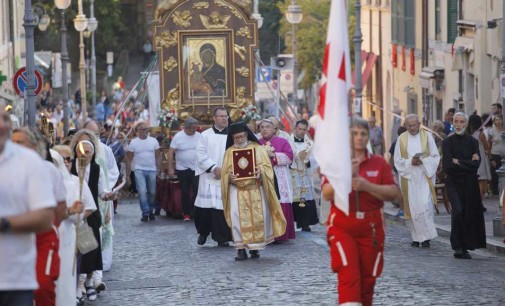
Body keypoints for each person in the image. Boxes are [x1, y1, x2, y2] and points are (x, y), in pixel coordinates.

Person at [323, 117, 400, 306]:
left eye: (363, 133)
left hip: (371, 228)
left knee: (368, 279)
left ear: (369, 137)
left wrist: (367, 186)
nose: (359, 137)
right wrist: (345, 176)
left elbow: (394, 194)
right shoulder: (336, 161)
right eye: (354, 133)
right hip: (342, 226)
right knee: (349, 274)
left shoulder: (379, 163)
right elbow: (326, 193)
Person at [0, 105, 56, 306]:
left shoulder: (29, 162)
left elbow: (45, 217)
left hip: (15, 279)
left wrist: (4, 223)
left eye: (5, 119)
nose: (2, 124)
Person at [11, 127, 68, 306]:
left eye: (20, 143)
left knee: (42, 286)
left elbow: (61, 207)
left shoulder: (49, 170)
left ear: (35, 147)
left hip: (43, 237)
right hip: (12, 237)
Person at [221, 121, 287, 260]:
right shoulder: (229, 152)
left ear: (246, 134)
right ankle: (240, 249)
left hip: (256, 188)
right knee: (237, 218)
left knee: (259, 218)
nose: (239, 140)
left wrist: (260, 173)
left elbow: (267, 168)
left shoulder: (258, 148)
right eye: (236, 138)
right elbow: (225, 173)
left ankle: (255, 248)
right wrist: (230, 178)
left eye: (241, 136)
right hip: (237, 191)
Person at [70, 136, 114, 302]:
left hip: (92, 213)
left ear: (92, 154)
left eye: (88, 152)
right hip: (74, 212)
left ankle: (89, 281)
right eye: (82, 152)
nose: (85, 155)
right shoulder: (71, 167)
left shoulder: (96, 169)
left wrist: (108, 196)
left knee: (90, 249)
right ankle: (78, 284)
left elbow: (102, 192)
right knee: (76, 249)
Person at [50, 147, 96, 306]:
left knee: (66, 277)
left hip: (69, 236)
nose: (65, 162)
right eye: (60, 160)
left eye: (68, 159)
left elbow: (88, 207)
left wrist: (77, 213)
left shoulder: (75, 182)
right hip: (47, 237)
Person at [442, 112, 486, 259]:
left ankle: (464, 246)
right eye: (456, 121)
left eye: (462, 122)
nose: (459, 124)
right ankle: (457, 246)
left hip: (469, 183)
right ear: (452, 122)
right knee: (458, 211)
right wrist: (467, 162)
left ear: (466, 124)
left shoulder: (473, 142)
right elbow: (448, 166)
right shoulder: (447, 142)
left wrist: (459, 162)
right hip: (453, 182)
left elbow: (476, 165)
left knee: (467, 212)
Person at [394, 114, 440, 248]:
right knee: (413, 207)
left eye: (414, 125)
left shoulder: (428, 136)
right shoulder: (401, 139)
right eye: (409, 125)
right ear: (405, 126)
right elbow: (398, 160)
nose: (412, 128)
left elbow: (435, 156)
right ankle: (416, 237)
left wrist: (422, 161)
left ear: (419, 124)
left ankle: (426, 238)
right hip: (409, 178)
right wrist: (410, 162)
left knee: (425, 204)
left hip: (424, 176)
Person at [194, 107, 232, 246]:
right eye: (221, 116)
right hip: (209, 176)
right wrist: (214, 168)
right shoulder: (205, 135)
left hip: (227, 176)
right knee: (206, 208)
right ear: (214, 118)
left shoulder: (233, 136)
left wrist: (226, 170)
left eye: (226, 116)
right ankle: (203, 233)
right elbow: (200, 154)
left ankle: (221, 238)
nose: (224, 118)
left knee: (221, 209)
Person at [258, 119, 296, 242]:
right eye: (262, 127)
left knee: (281, 203)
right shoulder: (257, 143)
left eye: (267, 127)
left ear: (274, 129)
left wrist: (273, 155)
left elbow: (290, 157)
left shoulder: (282, 141)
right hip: (263, 177)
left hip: (279, 178)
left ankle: (280, 235)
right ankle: (267, 235)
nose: (264, 129)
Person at [126, 122, 161, 221]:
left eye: (147, 129)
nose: (145, 131)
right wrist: (128, 174)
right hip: (139, 169)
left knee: (152, 192)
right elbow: (128, 159)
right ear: (138, 131)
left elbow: (158, 156)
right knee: (142, 191)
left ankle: (150, 210)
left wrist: (159, 168)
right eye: (143, 129)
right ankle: (145, 212)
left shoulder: (154, 141)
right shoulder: (133, 143)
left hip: (152, 169)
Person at [288, 119, 319, 231]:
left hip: (305, 175)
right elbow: (287, 154)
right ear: (295, 128)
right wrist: (296, 156)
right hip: (293, 174)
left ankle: (305, 223)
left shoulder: (310, 144)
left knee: (305, 199)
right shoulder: (288, 141)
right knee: (293, 198)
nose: (301, 131)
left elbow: (316, 158)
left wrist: (307, 160)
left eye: (304, 130)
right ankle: (293, 223)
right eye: (299, 129)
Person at [168, 118, 201, 221]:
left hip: (196, 167)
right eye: (193, 128)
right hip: (182, 168)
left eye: (196, 128)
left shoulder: (199, 136)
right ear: (187, 127)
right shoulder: (178, 137)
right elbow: (170, 152)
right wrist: (170, 167)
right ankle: (186, 213)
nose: (195, 130)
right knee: (185, 191)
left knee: (197, 190)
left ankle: (195, 211)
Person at [467, 114, 492, 211]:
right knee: (481, 182)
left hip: (471, 159)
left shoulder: (468, 134)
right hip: (480, 159)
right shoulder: (480, 134)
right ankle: (479, 203)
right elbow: (486, 147)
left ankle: (473, 203)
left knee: (474, 183)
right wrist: (490, 157)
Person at [388, 125, 407, 217]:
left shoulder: (395, 142)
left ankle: (402, 209)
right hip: (405, 168)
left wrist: (389, 168)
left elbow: (391, 158)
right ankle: (405, 209)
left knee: (400, 190)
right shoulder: (406, 142)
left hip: (398, 169)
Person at [488, 115, 504, 195]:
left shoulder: (504, 129)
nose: (498, 121)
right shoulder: (492, 131)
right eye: (496, 120)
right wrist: (491, 158)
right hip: (495, 153)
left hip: (503, 154)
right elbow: (489, 144)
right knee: (495, 173)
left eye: (500, 119)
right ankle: (495, 190)